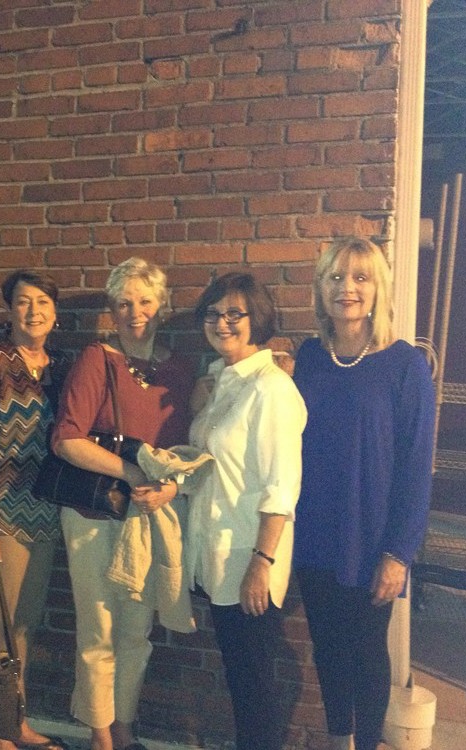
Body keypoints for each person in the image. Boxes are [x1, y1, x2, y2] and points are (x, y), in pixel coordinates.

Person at [293, 237, 435, 750]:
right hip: (313, 532)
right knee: (328, 647)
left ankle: (369, 743)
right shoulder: (308, 357)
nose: (346, 288)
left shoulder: (405, 365)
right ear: (320, 288)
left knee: (369, 653)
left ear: (378, 290)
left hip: (373, 538)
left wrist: (399, 553)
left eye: (360, 277)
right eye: (335, 277)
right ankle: (340, 741)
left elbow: (416, 468)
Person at [51, 257, 195, 750]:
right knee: (99, 629)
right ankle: (100, 736)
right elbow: (66, 439)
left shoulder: (178, 370)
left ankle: (124, 727)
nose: (135, 313)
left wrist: (171, 487)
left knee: (136, 631)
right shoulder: (98, 359)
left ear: (162, 306)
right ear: (112, 310)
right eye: (124, 303)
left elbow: (188, 450)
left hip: (149, 515)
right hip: (94, 514)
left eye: (145, 302)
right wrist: (131, 472)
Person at [185, 272, 307, 750]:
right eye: (213, 313)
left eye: (235, 313)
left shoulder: (271, 388)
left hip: (247, 556)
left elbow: (282, 485)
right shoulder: (220, 380)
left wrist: (262, 563)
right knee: (241, 676)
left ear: (258, 319)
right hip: (217, 551)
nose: (222, 322)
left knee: (255, 682)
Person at [0, 269, 70, 750]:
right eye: (24, 302)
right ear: (10, 311)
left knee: (23, 625)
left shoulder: (59, 367)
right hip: (3, 513)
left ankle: (15, 721)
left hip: (45, 512)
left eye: (43, 302)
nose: (34, 311)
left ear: (55, 313)